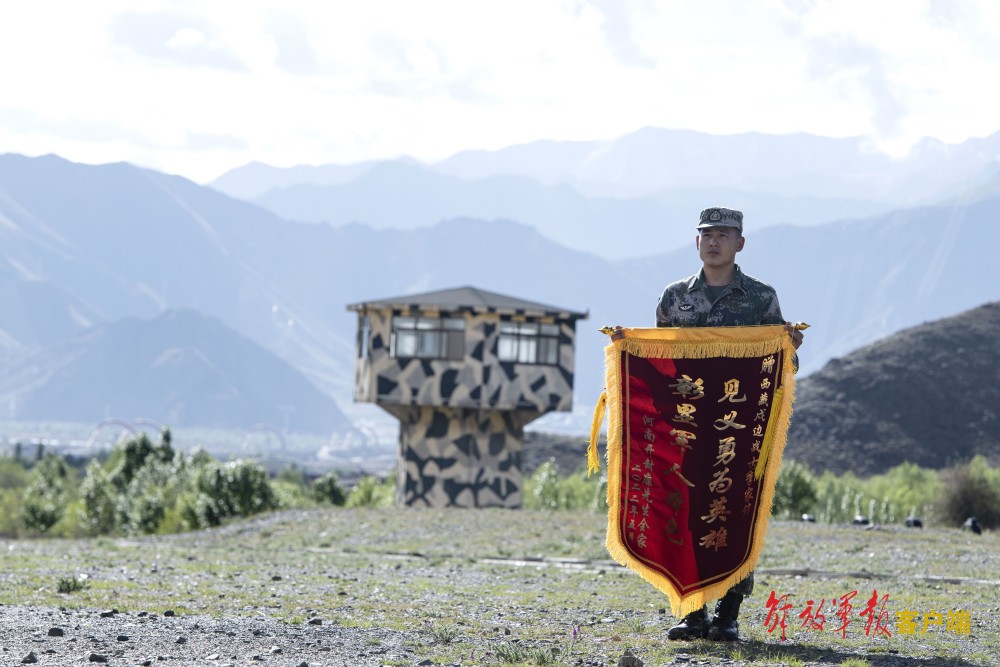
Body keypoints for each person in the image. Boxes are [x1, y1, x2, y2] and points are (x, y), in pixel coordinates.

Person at [656, 206, 804, 642]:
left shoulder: (760, 298)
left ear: (740, 243)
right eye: (708, 234)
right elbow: (659, 357)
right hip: (688, 426)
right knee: (686, 517)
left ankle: (729, 612)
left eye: (724, 234)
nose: (715, 241)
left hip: (739, 429)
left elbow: (783, 362)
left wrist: (790, 344)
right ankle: (691, 611)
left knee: (737, 515)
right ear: (695, 242)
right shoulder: (673, 297)